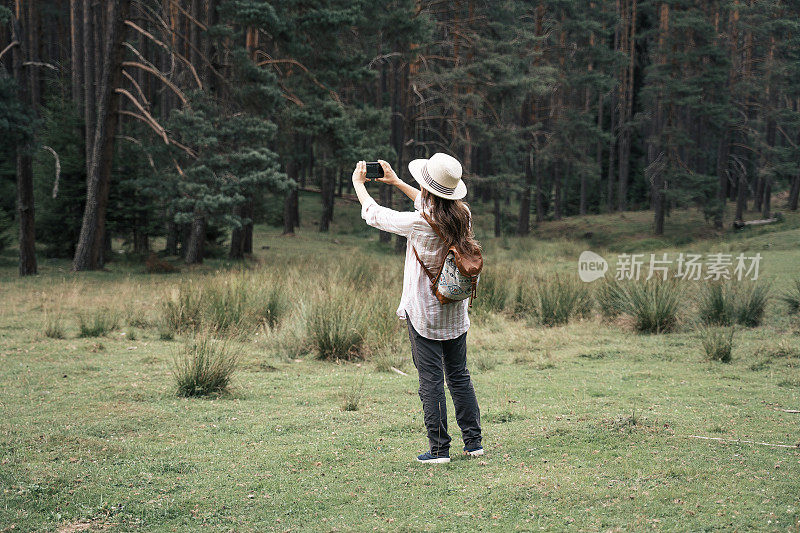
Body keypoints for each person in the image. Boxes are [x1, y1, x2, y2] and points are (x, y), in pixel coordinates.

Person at [351, 154, 483, 464]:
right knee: (459, 376)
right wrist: (396, 182)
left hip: (424, 312)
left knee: (431, 380)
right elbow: (431, 206)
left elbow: (373, 214)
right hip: (454, 311)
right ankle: (473, 443)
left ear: (427, 189)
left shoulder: (417, 223)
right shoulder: (462, 214)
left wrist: (359, 184)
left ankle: (438, 450)